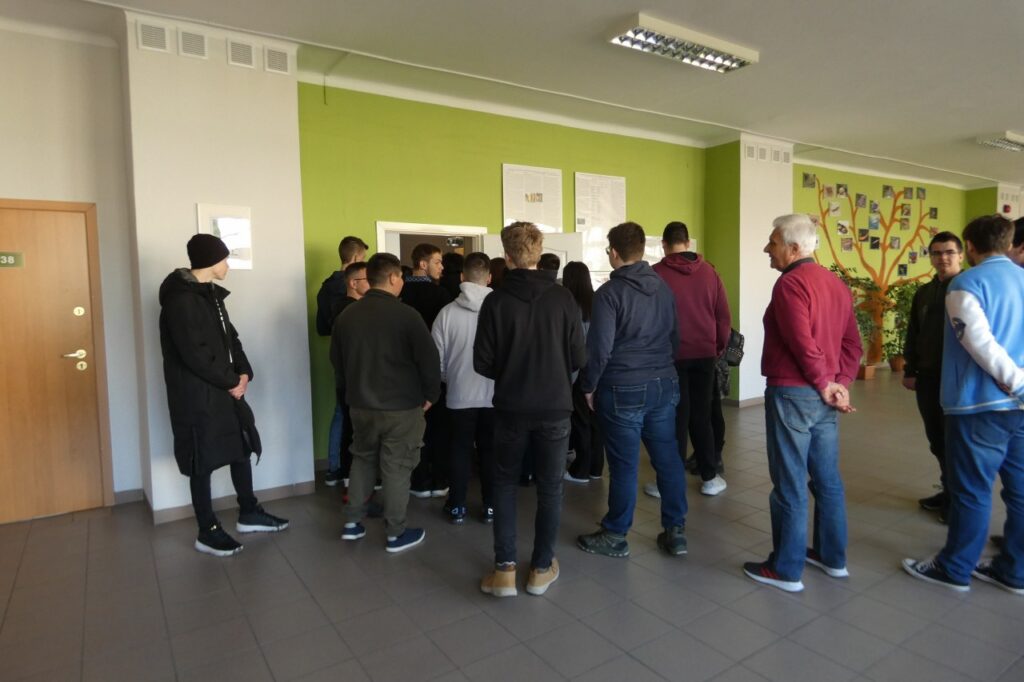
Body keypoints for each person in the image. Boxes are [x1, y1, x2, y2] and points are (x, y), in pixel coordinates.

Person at [903, 215, 1024, 595]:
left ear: (969, 247)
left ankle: (955, 568)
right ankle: (1015, 569)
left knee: (971, 490)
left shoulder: (966, 283)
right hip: (1019, 408)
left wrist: (1017, 382)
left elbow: (978, 341)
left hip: (978, 407)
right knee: (1020, 490)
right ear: (1008, 243)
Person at [743, 214, 861, 593]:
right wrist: (839, 384)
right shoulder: (836, 284)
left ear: (794, 249)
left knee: (789, 482)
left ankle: (786, 569)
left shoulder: (790, 284)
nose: (767, 248)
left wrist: (827, 383)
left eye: (773, 242)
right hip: (823, 397)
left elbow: (801, 342)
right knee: (827, 480)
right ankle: (832, 557)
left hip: (793, 394)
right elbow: (852, 345)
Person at [474, 222, 586, 597]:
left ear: (506, 256)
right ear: (538, 253)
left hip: (510, 408)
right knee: (550, 488)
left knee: (504, 485)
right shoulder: (563, 299)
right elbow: (579, 357)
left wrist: (512, 372)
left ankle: (504, 571)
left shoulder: (496, 301)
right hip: (555, 408)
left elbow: (482, 362)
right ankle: (540, 569)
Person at [159, 234, 288, 557]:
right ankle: (208, 530)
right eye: (224, 259)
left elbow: (232, 340)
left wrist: (243, 373)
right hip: (197, 395)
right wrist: (232, 381)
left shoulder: (212, 296)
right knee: (201, 457)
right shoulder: (180, 300)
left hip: (224, 388)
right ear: (210, 261)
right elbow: (194, 354)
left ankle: (249, 512)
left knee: (240, 446)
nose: (227, 265)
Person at [575, 223, 688, 558]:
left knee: (624, 465)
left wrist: (588, 385)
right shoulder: (664, 288)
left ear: (613, 252)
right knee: (667, 459)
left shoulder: (609, 294)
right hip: (664, 383)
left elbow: (599, 349)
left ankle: (615, 534)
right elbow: (675, 338)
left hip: (623, 386)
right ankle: (676, 531)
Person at [333, 253, 440, 554]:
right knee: (397, 467)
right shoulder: (407, 315)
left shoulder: (347, 316)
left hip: (360, 405)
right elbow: (429, 360)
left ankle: (352, 523)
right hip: (401, 407)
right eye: (401, 277)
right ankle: (396, 532)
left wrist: (352, 392)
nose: (402, 281)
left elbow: (337, 362)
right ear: (393, 277)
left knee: (362, 459)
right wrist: (431, 395)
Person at [650, 221, 731, 497]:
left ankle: (667, 482)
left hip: (670, 356)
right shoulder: (710, 272)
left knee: (674, 418)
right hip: (705, 354)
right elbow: (723, 316)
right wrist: (717, 347)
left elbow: (650, 318)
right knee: (702, 416)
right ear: (687, 243)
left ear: (664, 244)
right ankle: (710, 477)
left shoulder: (656, 274)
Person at [901, 232, 963, 523]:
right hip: (927, 378)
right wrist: (910, 369)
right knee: (936, 440)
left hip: (957, 379)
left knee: (954, 443)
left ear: (961, 255)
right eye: (936, 253)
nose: (943, 258)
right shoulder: (924, 292)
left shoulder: (967, 288)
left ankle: (956, 502)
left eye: (949, 252)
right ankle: (947, 490)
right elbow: (913, 332)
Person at [432, 252, 495, 524]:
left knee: (459, 451)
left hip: (458, 395)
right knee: (491, 452)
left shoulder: (446, 313)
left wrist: (451, 378)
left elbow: (437, 359)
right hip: (494, 396)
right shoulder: (502, 311)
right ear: (489, 278)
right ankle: (491, 506)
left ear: (461, 277)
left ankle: (457, 506)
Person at [315, 236, 368, 487]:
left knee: (340, 412)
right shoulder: (347, 295)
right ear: (356, 258)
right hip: (353, 361)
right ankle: (346, 471)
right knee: (349, 415)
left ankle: (335, 468)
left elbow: (321, 327)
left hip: (338, 357)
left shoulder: (325, 287)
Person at [402, 243, 453, 498]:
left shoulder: (400, 292)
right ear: (423, 264)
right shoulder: (440, 295)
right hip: (435, 370)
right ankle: (439, 479)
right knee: (438, 428)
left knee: (413, 428)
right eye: (437, 262)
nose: (442, 267)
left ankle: (418, 480)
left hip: (406, 373)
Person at [327, 262, 371, 487]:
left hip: (347, 379)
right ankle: (350, 476)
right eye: (367, 279)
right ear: (353, 283)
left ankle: (345, 474)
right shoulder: (350, 311)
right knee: (352, 428)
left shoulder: (344, 308)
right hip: (353, 380)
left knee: (347, 424)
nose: (372, 283)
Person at [562, 261, 605, 483]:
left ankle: (581, 469)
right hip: (598, 370)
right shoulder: (598, 302)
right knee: (596, 420)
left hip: (577, 371)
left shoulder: (569, 305)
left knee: (580, 421)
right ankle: (596, 467)